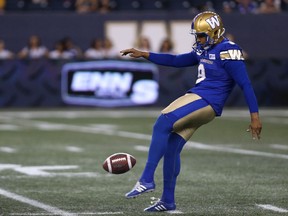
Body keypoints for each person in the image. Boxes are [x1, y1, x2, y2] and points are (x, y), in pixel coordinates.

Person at [120, 11, 262, 212]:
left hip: (207, 100)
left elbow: (245, 84)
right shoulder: (206, 48)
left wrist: (254, 116)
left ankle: (146, 179)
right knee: (171, 148)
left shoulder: (228, 50)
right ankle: (167, 200)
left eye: (202, 35)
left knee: (162, 122)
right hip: (201, 100)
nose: (199, 39)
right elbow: (177, 60)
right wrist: (146, 54)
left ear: (215, 32)